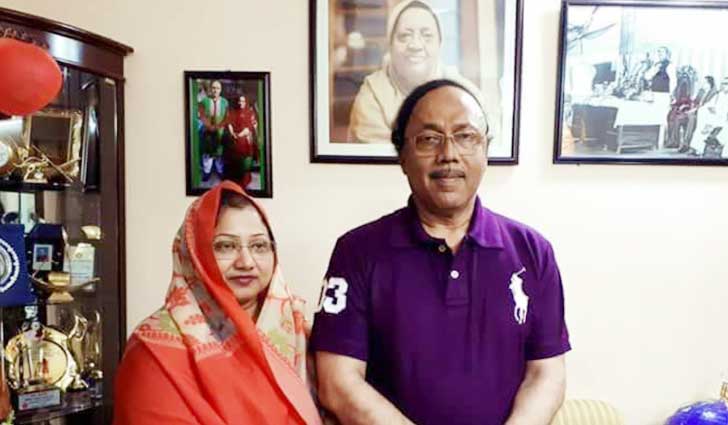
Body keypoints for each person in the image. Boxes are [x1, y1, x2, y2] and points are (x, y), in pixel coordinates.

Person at [312, 80, 570, 425]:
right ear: (402, 156)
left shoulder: (532, 251)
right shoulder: (356, 252)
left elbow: (547, 374)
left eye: (466, 136)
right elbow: (337, 382)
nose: (449, 154)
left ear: (485, 150)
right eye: (429, 138)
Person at [114, 181, 321, 425]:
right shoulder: (155, 350)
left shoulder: (297, 331)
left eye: (259, 246)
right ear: (195, 254)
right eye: (226, 246)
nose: (246, 262)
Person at [347, 0, 483, 144]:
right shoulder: (373, 95)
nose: (416, 45)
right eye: (405, 36)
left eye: (427, 35)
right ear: (390, 44)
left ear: (439, 44)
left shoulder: (465, 96)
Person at [689, 76, 728, 156]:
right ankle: (697, 149)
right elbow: (709, 104)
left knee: (706, 124)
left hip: (725, 118)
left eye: (726, 84)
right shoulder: (719, 94)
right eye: (722, 84)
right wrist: (709, 108)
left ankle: (703, 147)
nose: (723, 85)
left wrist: (717, 110)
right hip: (713, 116)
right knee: (702, 119)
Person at [198, 80, 229, 182]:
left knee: (219, 154)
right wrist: (209, 126)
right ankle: (206, 172)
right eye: (214, 88)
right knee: (207, 154)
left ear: (221, 90)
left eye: (218, 88)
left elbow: (226, 117)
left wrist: (219, 127)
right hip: (207, 131)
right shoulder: (204, 101)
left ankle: (220, 171)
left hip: (220, 131)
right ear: (211, 89)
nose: (215, 90)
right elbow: (202, 116)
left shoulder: (225, 102)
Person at [225, 94, 259, 188]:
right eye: (239, 101)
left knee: (245, 162)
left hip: (245, 140)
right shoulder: (233, 112)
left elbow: (250, 127)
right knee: (234, 161)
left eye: (243, 101)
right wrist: (232, 133)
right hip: (234, 139)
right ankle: (235, 180)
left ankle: (244, 180)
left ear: (246, 102)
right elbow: (229, 123)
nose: (241, 103)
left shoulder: (250, 112)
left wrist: (240, 135)